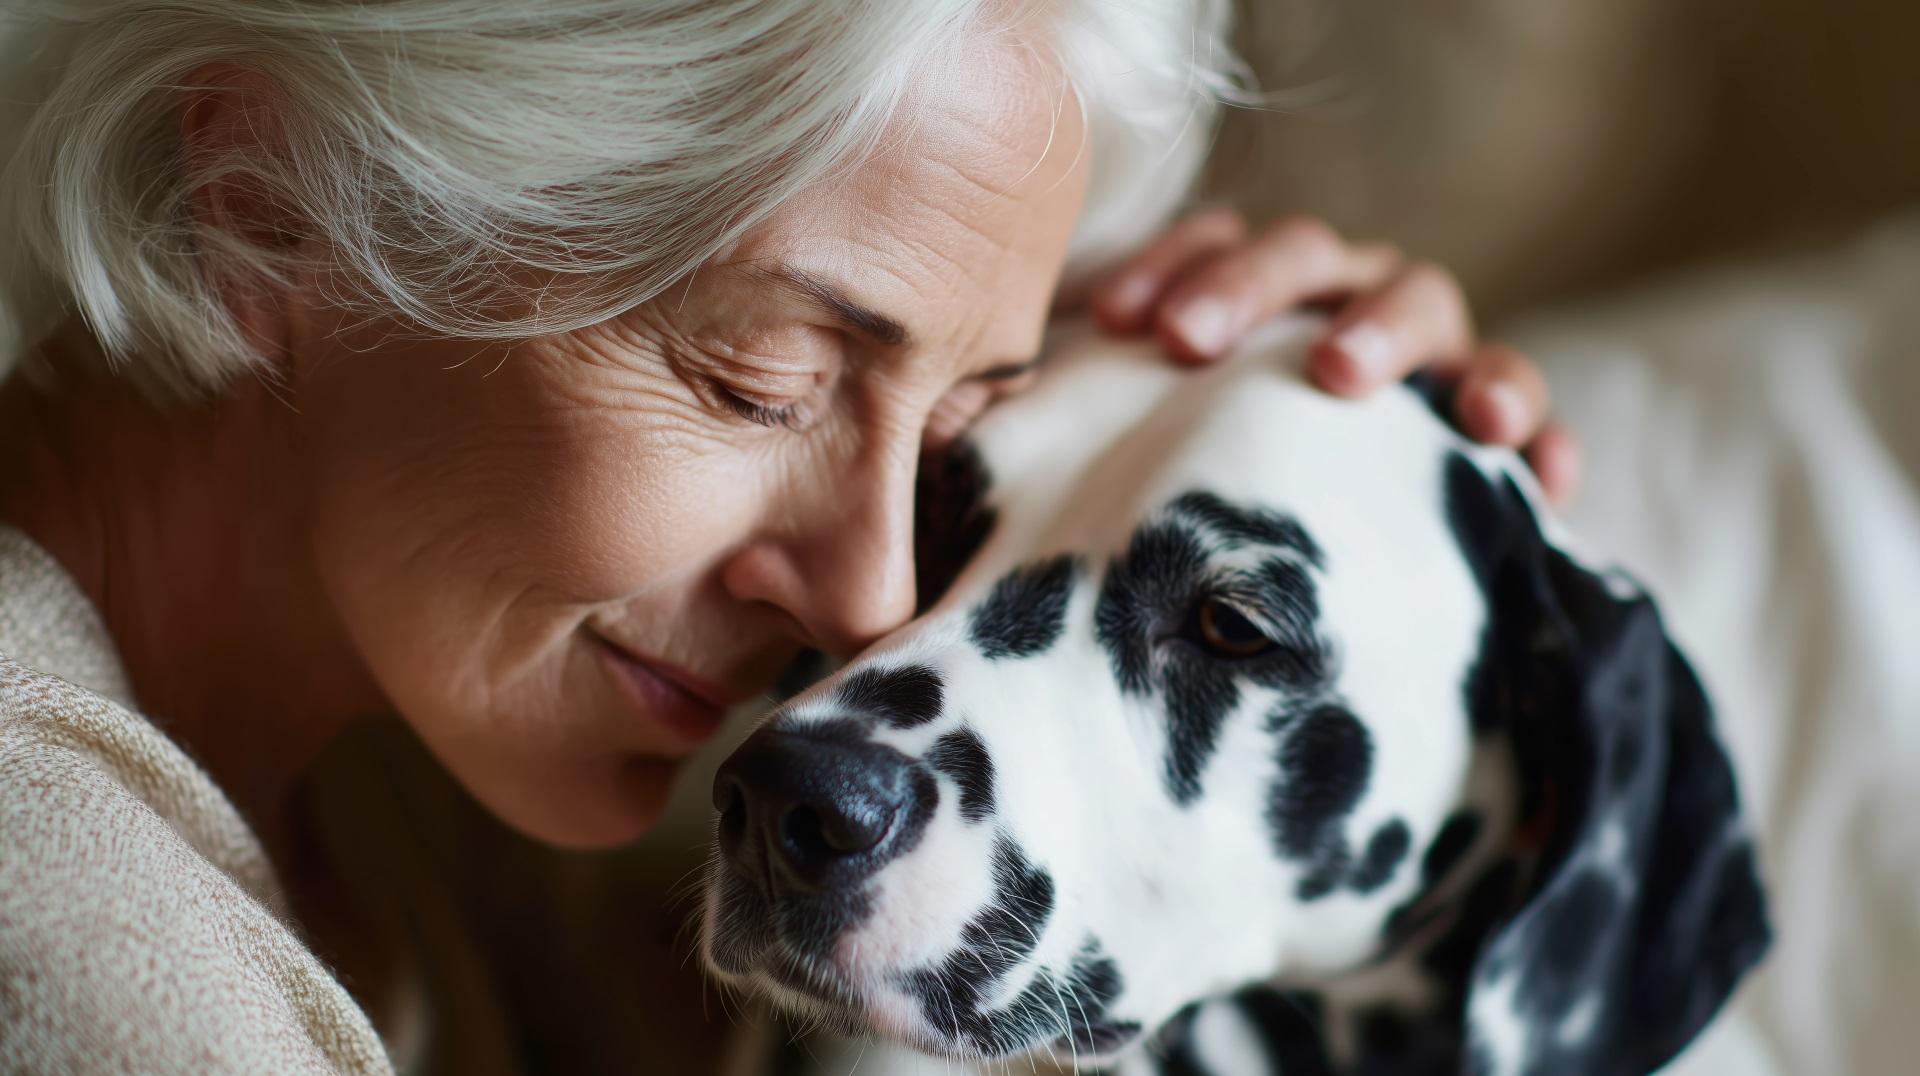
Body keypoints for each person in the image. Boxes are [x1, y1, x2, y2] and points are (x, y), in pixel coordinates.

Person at [0, 1, 1576, 1072]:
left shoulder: (388, 753)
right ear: (271, 200)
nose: (876, 596)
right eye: (762, 383)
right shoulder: (91, 952)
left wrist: (1223, 432)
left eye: (951, 435)